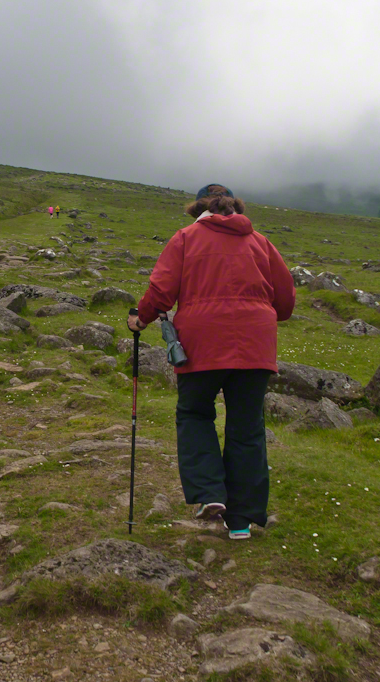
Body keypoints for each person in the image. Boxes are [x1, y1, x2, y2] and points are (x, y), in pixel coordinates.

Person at [127, 184, 294, 540]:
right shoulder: (261, 242)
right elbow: (286, 303)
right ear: (236, 208)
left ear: (197, 210)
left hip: (201, 343)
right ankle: (241, 522)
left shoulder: (186, 238)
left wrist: (141, 319)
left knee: (195, 413)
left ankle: (208, 494)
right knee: (247, 427)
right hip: (255, 345)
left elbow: (161, 291)